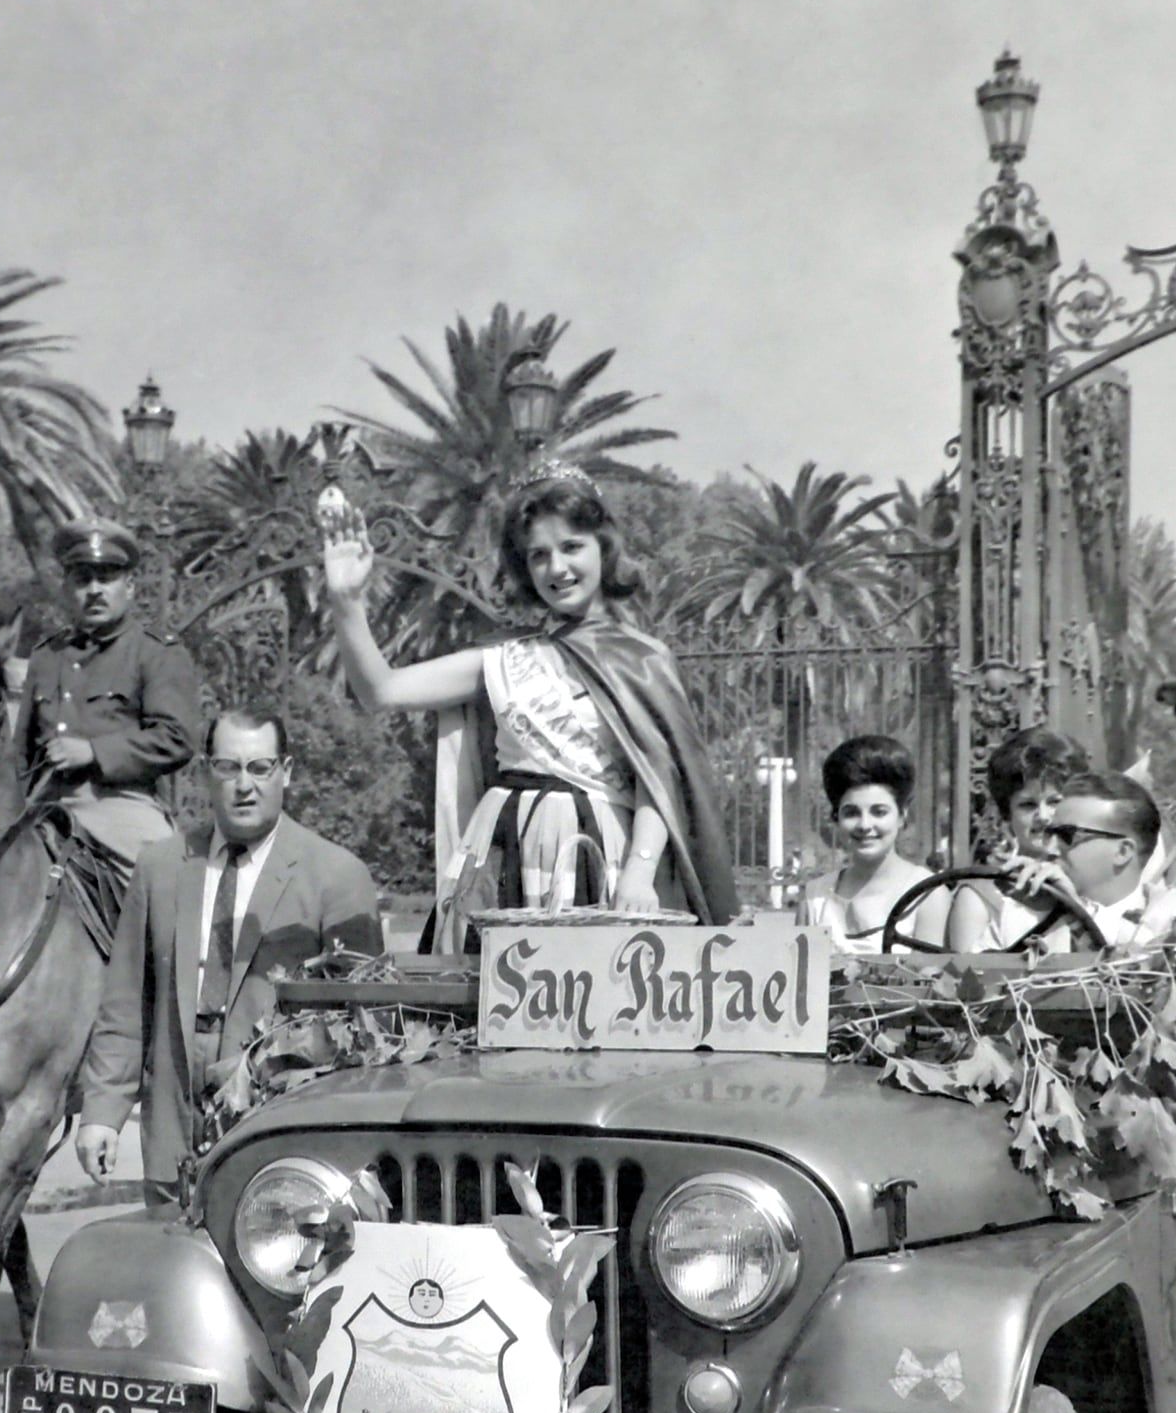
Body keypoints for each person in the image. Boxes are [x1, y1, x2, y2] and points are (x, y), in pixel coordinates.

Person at [321, 465, 738, 947]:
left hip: (598, 853)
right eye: (539, 555)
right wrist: (346, 599)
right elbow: (381, 691)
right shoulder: (504, 658)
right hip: (502, 852)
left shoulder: (643, 659)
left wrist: (640, 874)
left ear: (604, 546)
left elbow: (661, 783)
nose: (557, 568)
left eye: (572, 547)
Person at [76, 707, 385, 1191]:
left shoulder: (337, 878)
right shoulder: (160, 868)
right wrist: (101, 1113)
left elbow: (365, 1034)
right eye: (229, 767)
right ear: (206, 771)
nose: (245, 785)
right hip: (172, 1133)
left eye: (260, 768)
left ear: (286, 772)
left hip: (280, 1140)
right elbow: (124, 1004)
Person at [19, 518, 200, 888]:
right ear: (67, 589)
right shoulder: (46, 656)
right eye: (83, 579)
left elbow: (177, 738)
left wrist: (94, 752)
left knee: (169, 889)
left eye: (106, 578)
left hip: (121, 808)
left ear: (129, 587)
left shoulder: (154, 652)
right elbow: (18, 751)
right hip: (41, 806)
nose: (95, 590)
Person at [947, 728, 1093, 951]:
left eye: (1055, 802)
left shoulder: (1099, 886)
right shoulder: (982, 897)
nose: (1043, 817)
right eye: (1028, 805)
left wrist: (1075, 906)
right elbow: (964, 981)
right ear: (1008, 813)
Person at [800, 735, 947, 952]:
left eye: (879, 812)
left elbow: (929, 980)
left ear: (902, 816)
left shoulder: (927, 894)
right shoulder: (814, 898)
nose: (865, 825)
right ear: (836, 818)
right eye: (851, 813)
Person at [1043, 772, 1176, 952]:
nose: (1050, 849)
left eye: (1066, 835)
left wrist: (1082, 915)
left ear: (1122, 851)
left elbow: (1152, 958)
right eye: (1049, 833)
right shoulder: (1025, 912)